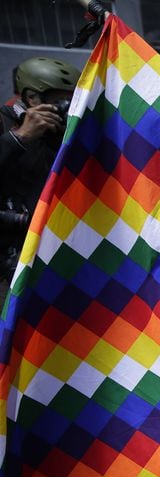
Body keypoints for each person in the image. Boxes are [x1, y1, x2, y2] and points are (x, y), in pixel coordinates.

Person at [0, 56, 77, 305]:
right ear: (32, 98)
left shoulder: (63, 132)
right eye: (60, 101)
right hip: (12, 258)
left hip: (58, 253)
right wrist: (20, 138)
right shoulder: (5, 124)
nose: (67, 107)